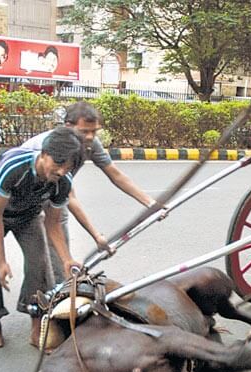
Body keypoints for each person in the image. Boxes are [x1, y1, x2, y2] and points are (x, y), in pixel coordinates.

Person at [20, 101, 157, 282]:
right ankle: (51, 299)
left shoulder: (91, 144)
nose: (91, 137)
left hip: (55, 192)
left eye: (95, 131)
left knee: (61, 252)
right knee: (46, 257)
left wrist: (150, 203)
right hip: (25, 196)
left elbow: (115, 174)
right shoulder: (53, 147)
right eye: (85, 131)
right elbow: (71, 198)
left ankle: (55, 293)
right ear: (69, 126)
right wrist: (97, 236)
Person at [0, 127, 83, 348]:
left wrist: (66, 259)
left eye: (67, 167)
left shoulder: (63, 182)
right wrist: (2, 261)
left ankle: (35, 325)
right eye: (57, 163)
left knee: (39, 266)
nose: (61, 171)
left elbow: (53, 224)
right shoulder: (15, 166)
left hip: (28, 215)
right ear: (43, 154)